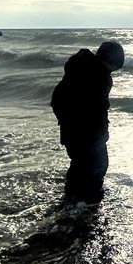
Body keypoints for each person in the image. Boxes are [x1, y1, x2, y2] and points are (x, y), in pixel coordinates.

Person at [51, 41, 124, 203]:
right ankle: (86, 202)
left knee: (80, 166)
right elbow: (97, 109)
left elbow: (57, 100)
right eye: (114, 66)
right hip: (87, 134)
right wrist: (97, 132)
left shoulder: (78, 71)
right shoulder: (96, 77)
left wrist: (66, 122)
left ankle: (73, 199)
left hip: (73, 131)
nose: (113, 71)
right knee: (95, 166)